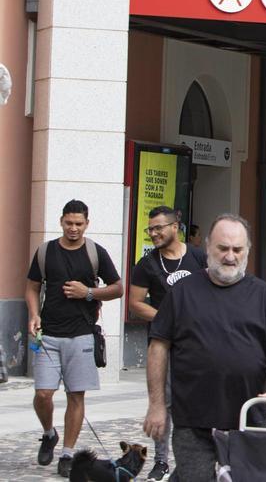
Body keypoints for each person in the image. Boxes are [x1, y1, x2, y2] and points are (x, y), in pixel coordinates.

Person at [143, 214, 266, 481]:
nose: (230, 256)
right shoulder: (182, 292)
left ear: (247, 250)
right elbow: (158, 347)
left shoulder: (263, 295)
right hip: (193, 418)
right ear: (208, 247)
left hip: (248, 417)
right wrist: (156, 405)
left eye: (237, 249)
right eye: (223, 248)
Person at [25, 199, 123, 477]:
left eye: (79, 224)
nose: (73, 228)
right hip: (48, 335)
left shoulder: (95, 252)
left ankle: (67, 454)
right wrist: (33, 314)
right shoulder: (45, 252)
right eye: (69, 223)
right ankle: (49, 433)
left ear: (87, 224)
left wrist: (88, 293)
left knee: (76, 396)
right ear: (61, 221)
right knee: (43, 394)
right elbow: (31, 287)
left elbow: (118, 288)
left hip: (82, 335)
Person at [128, 206, 207, 481]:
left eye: (158, 228)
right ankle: (161, 461)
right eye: (150, 229)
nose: (153, 233)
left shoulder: (198, 257)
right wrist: (167, 319)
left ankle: (201, 457)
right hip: (164, 344)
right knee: (164, 402)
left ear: (175, 227)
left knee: (201, 399)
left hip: (199, 343)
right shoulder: (146, 265)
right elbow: (136, 303)